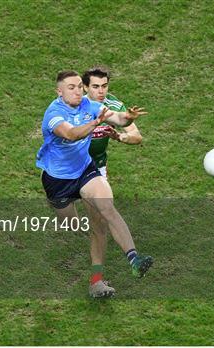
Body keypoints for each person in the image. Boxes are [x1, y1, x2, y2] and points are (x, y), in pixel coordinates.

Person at [36, 70, 153, 298]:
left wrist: (127, 117)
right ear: (59, 91)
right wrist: (95, 123)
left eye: (80, 86)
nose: (78, 91)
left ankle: (133, 260)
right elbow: (71, 134)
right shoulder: (54, 114)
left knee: (106, 211)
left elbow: (118, 119)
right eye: (72, 87)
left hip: (85, 170)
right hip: (58, 181)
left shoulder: (89, 106)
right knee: (73, 226)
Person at [81, 66, 144, 297]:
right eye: (95, 87)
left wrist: (120, 136)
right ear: (85, 87)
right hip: (67, 169)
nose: (101, 91)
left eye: (104, 86)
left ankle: (97, 281)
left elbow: (137, 136)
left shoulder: (114, 107)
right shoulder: (74, 106)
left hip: (94, 169)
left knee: (99, 222)